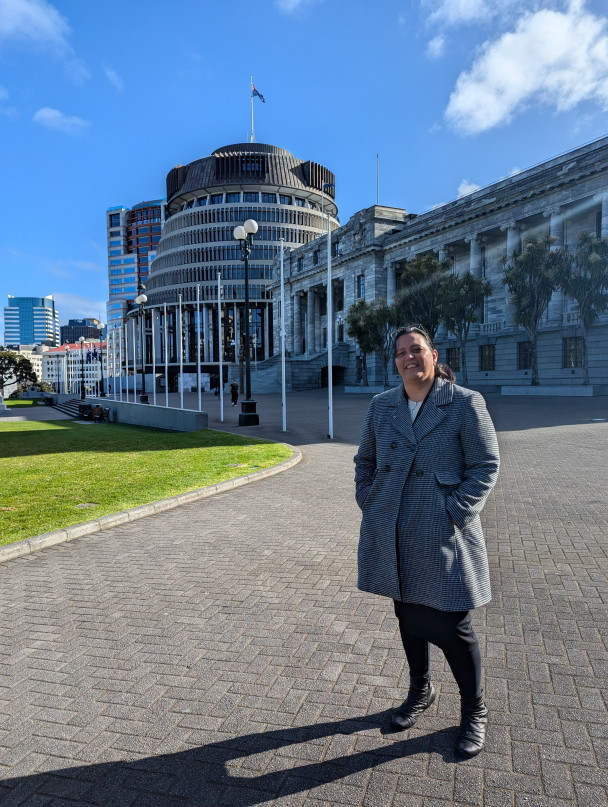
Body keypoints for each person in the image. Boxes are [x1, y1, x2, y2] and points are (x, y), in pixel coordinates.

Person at [354, 324, 500, 758]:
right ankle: (421, 691)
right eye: (400, 353)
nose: (408, 358)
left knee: (454, 627)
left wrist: (454, 511)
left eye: (416, 350)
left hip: (443, 534)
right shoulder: (382, 406)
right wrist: (370, 499)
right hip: (394, 529)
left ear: (434, 356)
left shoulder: (464, 403)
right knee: (408, 617)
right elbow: (365, 459)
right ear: (395, 362)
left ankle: (475, 710)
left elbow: (486, 465)